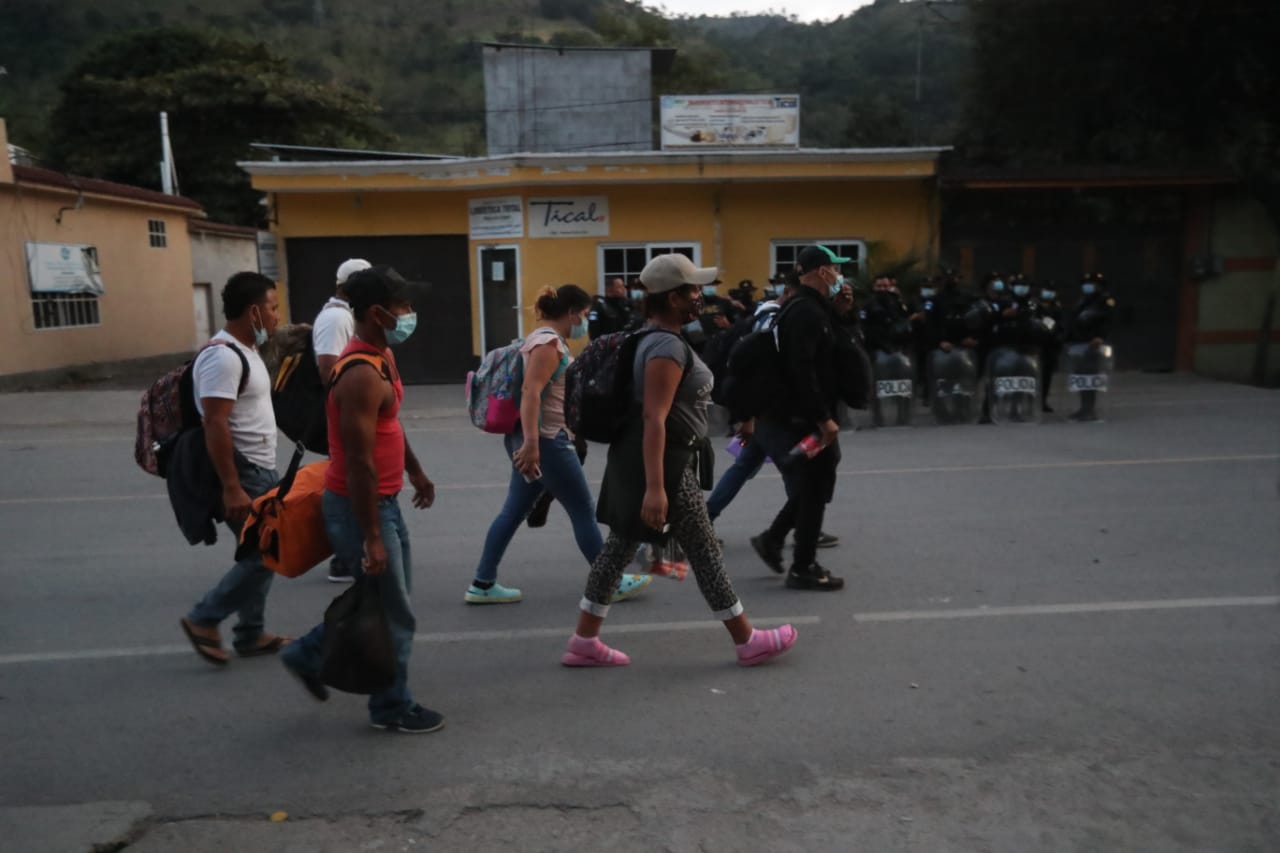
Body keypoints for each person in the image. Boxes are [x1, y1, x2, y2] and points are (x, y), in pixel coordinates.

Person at [562, 253, 798, 667]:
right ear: (672, 298)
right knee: (704, 552)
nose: (700, 297)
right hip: (664, 463)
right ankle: (747, 640)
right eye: (692, 290)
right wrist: (656, 489)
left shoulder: (653, 336)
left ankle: (584, 641)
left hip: (655, 457)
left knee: (619, 549)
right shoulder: (665, 347)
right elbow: (654, 417)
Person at [280, 266, 444, 733]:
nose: (410, 313)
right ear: (376, 313)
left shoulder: (382, 358)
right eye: (403, 306)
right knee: (395, 612)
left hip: (384, 502)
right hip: (361, 508)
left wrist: (415, 470)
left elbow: (389, 426)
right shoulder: (357, 374)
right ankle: (392, 707)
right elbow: (357, 462)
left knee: (383, 601)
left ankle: (308, 654)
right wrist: (371, 535)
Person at [469, 284, 652, 604]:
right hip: (548, 441)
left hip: (540, 438)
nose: (584, 321)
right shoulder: (548, 344)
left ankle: (483, 583)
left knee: (513, 511)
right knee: (582, 509)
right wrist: (531, 443)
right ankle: (609, 581)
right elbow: (530, 393)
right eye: (582, 314)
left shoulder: (541, 339)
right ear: (570, 313)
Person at [179, 272, 291, 665]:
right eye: (273, 308)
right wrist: (231, 486)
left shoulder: (248, 351)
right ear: (253, 311)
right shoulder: (223, 357)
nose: (278, 315)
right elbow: (215, 421)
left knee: (261, 551)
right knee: (265, 553)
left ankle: (251, 632)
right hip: (243, 474)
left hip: (260, 469)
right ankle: (204, 618)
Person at [749, 246, 848, 591]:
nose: (839, 275)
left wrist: (841, 313)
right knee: (814, 484)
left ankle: (774, 539)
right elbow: (801, 370)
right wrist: (822, 418)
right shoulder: (805, 311)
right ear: (822, 272)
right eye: (836, 269)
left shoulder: (813, 308)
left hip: (800, 414)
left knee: (813, 483)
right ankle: (802, 564)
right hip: (801, 417)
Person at [313, 257, 371, 583]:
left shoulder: (344, 315)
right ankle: (343, 558)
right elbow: (328, 367)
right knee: (345, 486)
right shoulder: (336, 318)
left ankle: (352, 551)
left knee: (353, 483)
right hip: (345, 415)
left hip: (352, 414)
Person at [1066, 273, 1117, 421]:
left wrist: (1101, 337)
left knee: (1090, 377)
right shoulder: (1083, 301)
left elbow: (1109, 321)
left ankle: (1090, 409)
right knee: (1082, 377)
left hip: (1094, 344)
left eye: (1091, 284)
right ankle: (1083, 408)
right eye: (1086, 283)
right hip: (1079, 344)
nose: (1087, 286)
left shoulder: (1105, 301)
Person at [1035, 283, 1065, 413]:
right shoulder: (1035, 306)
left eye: (1052, 291)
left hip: (1050, 346)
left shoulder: (1056, 308)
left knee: (1046, 376)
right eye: (1047, 291)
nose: (1049, 294)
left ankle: (1042, 401)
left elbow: (1060, 325)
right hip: (1036, 345)